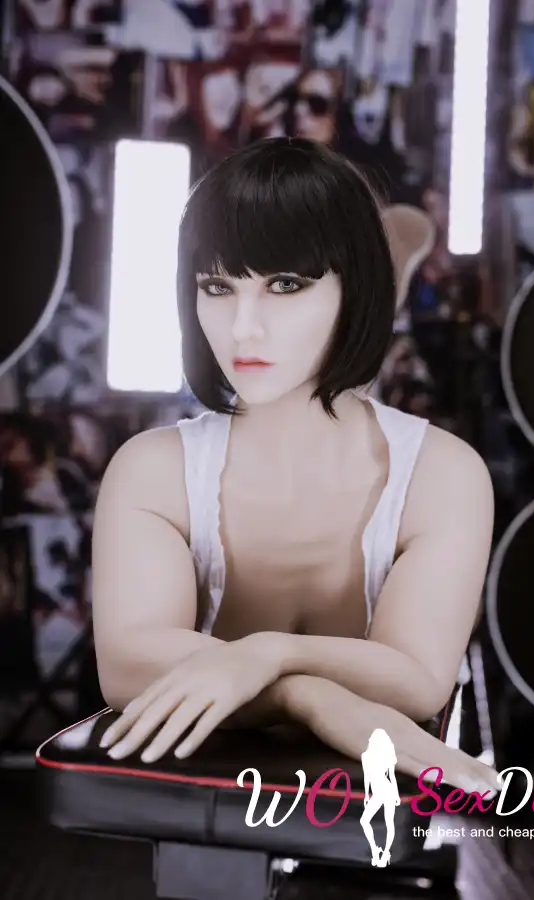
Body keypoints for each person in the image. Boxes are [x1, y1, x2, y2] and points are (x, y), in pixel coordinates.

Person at [94, 137, 500, 798]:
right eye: (217, 287)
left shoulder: (442, 476)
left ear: (355, 287)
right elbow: (128, 666)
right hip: (204, 806)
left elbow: (418, 680)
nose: (242, 328)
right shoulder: (153, 471)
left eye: (284, 285)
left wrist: (267, 654)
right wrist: (311, 698)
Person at [360, 728, 401, 867]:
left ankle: (385, 852)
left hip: (386, 790)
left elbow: (391, 776)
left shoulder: (384, 756)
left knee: (388, 822)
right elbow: (367, 777)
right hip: (379, 791)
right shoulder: (366, 756)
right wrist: (367, 795)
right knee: (366, 821)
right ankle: (376, 849)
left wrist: (396, 795)